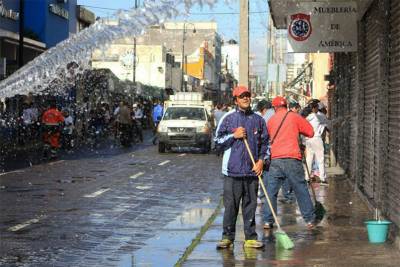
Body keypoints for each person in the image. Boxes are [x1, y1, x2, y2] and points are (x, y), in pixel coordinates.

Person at [215, 86, 269, 249]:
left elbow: (266, 143)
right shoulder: (228, 118)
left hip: (252, 172)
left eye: (247, 96)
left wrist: (261, 161)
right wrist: (234, 135)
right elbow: (216, 143)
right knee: (231, 206)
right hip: (232, 172)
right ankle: (227, 237)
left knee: (250, 206)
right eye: (241, 96)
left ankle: (250, 237)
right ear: (236, 100)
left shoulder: (258, 119)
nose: (245, 98)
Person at [263, 96, 317, 230]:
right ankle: (310, 219)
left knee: (271, 191)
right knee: (300, 189)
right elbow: (310, 132)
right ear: (286, 106)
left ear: (274, 108)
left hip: (276, 160)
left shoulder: (271, 120)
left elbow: (267, 138)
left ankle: (268, 221)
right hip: (293, 158)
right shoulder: (294, 117)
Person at [305, 101, 329, 185]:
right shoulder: (320, 116)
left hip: (308, 139)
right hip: (316, 139)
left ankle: (307, 178)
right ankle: (323, 179)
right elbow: (328, 125)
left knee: (309, 159)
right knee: (320, 159)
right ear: (315, 108)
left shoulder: (307, 117)